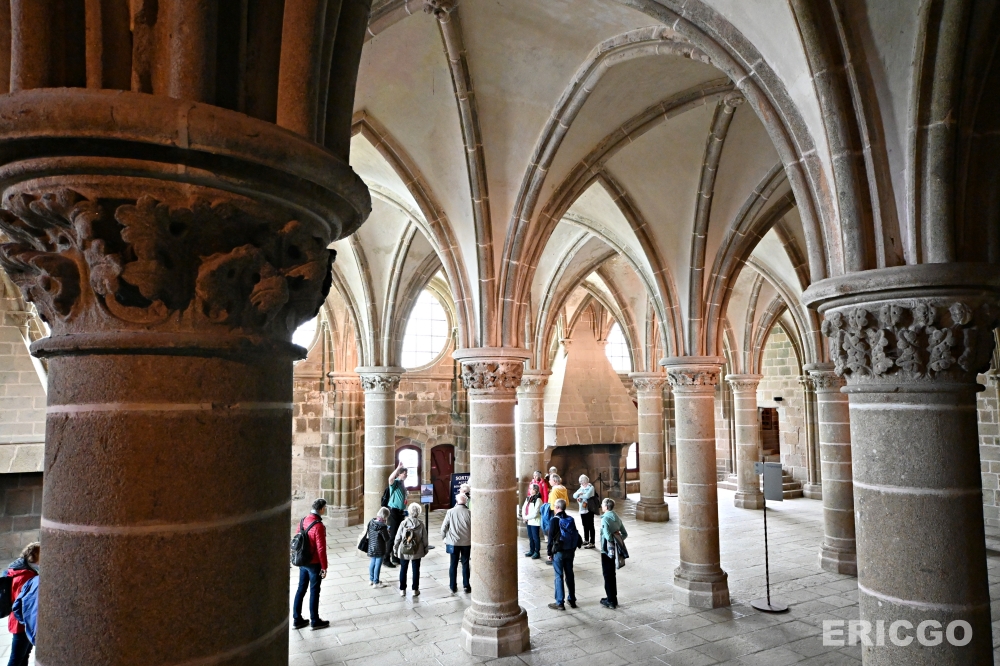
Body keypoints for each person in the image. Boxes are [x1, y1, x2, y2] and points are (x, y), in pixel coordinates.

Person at [292, 499, 330, 630]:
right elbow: (321, 549)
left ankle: (297, 619)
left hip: (303, 561)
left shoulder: (303, 520)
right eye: (325, 508)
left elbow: (297, 538)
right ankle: (315, 620)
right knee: (314, 591)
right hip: (314, 563)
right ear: (321, 509)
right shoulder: (318, 526)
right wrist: (324, 567)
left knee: (301, 589)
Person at [6, 542, 38, 666]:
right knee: (16, 659)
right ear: (34, 557)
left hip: (20, 621)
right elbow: (23, 603)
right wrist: (27, 622)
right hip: (22, 623)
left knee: (24, 655)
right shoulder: (26, 576)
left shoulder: (17, 571)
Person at [546, 499, 579, 610]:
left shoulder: (554, 520)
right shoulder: (570, 519)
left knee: (559, 576)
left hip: (559, 551)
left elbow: (550, 538)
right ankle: (572, 599)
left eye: (554, 506)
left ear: (557, 507)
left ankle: (559, 602)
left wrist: (549, 553)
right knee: (570, 574)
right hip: (570, 550)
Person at [393, 502, 428, 597]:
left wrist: (395, 548)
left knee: (403, 569)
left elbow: (398, 538)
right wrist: (425, 549)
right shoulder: (421, 524)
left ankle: (402, 590)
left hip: (404, 550)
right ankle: (415, 590)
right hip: (417, 550)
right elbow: (424, 538)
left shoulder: (403, 523)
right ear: (418, 512)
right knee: (416, 570)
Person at [599, 498, 628, 609]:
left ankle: (610, 601)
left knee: (607, 575)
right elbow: (624, 534)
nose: (601, 506)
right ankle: (613, 598)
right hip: (615, 550)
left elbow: (608, 536)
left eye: (602, 505)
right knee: (612, 574)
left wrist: (612, 539)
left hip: (606, 550)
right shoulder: (616, 517)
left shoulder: (605, 519)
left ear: (606, 507)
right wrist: (617, 541)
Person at [441, 492, 472, 593]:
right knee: (465, 563)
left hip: (453, 543)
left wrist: (444, 538)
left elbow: (443, 528)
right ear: (466, 501)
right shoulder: (469, 512)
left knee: (453, 564)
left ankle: (453, 586)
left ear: (457, 501)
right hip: (466, 542)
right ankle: (466, 585)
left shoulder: (450, 512)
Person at [385, 464, 409, 566]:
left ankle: (395, 556)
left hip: (400, 512)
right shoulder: (395, 482)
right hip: (394, 512)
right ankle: (386, 559)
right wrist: (398, 468)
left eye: (406, 474)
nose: (406, 475)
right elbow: (390, 478)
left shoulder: (402, 483)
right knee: (392, 535)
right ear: (399, 474)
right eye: (404, 473)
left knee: (399, 535)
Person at [367, 507, 391, 588]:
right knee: (378, 565)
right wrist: (388, 531)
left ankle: (371, 579)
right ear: (385, 516)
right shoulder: (382, 526)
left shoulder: (371, 522)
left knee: (372, 562)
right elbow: (386, 538)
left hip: (371, 546)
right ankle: (376, 582)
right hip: (380, 548)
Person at [573, 475, 597, 549]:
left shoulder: (591, 487)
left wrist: (580, 495)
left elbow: (587, 496)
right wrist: (579, 495)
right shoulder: (581, 488)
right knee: (585, 525)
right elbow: (574, 495)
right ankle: (586, 540)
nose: (582, 484)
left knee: (590, 525)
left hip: (589, 509)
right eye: (581, 483)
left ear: (586, 482)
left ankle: (592, 542)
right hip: (582, 509)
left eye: (582, 482)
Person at [522, 482, 543, 559]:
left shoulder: (538, 500)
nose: (529, 490)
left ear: (535, 490)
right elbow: (524, 508)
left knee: (535, 537)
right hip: (528, 521)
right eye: (530, 488)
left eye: (531, 488)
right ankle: (531, 550)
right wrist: (524, 516)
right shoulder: (528, 498)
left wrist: (526, 517)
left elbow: (535, 513)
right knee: (530, 537)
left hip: (535, 521)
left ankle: (537, 552)